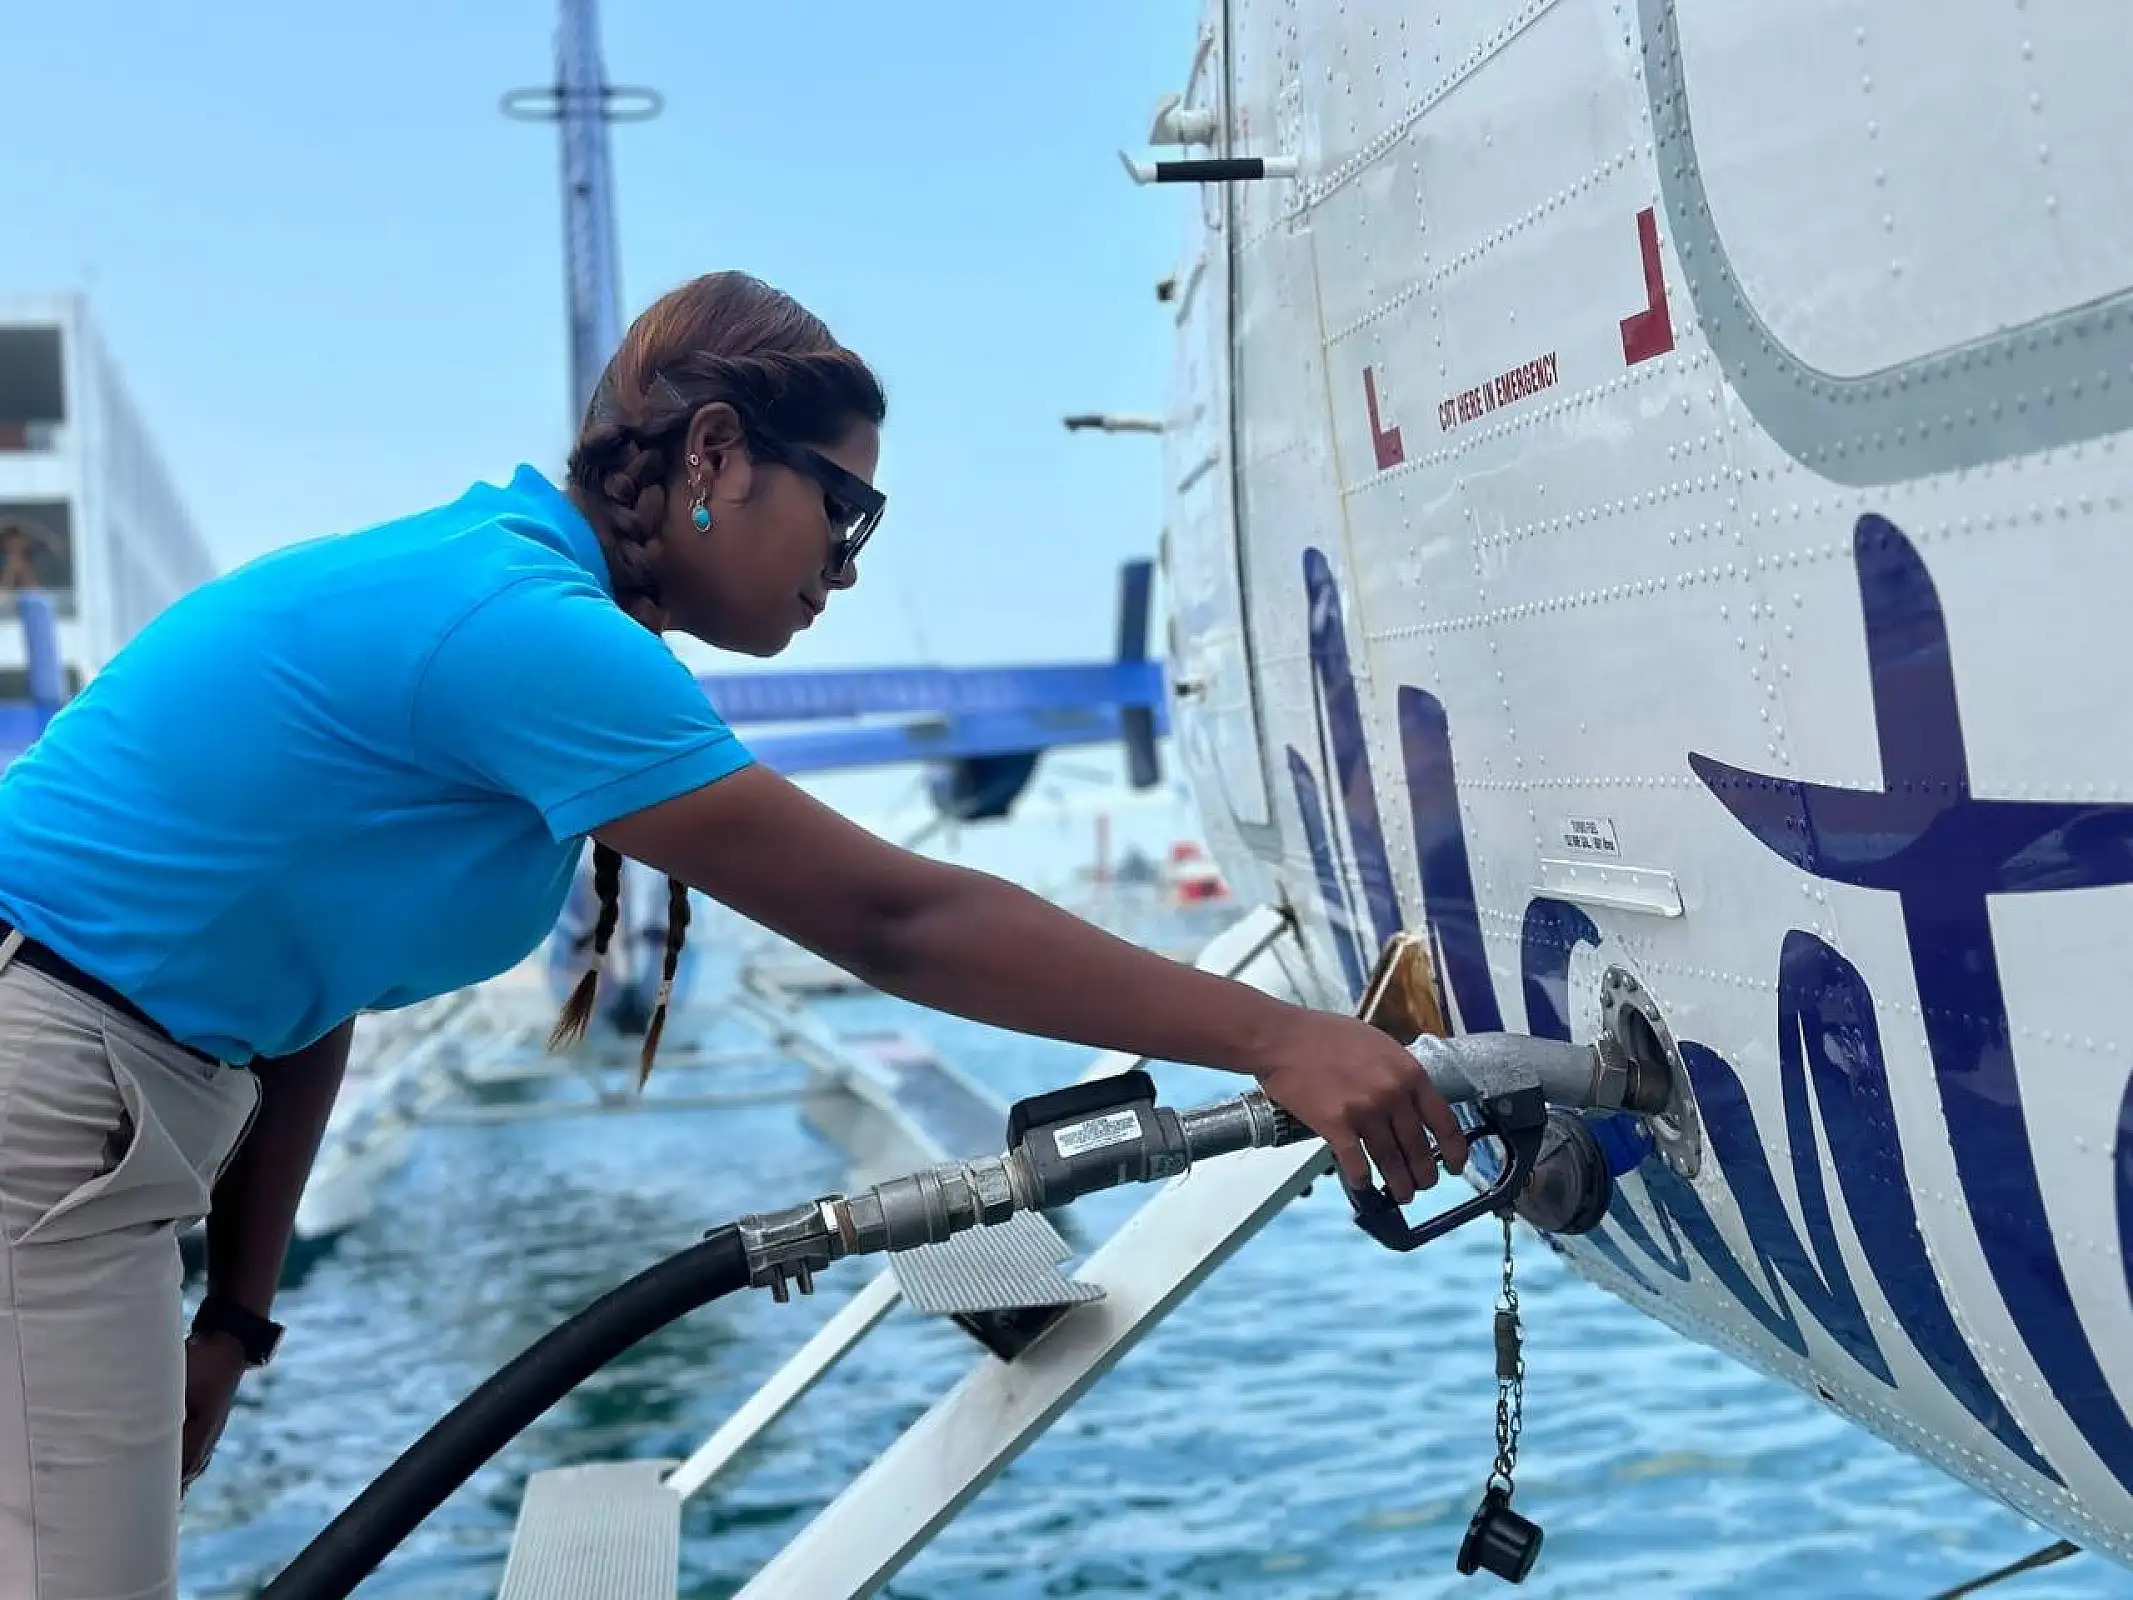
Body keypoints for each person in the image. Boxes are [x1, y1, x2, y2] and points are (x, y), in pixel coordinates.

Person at [0, 270, 1466, 1599]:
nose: (845, 560)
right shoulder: (520, 623)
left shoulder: (502, 597)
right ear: (713, 455)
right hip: (45, 1077)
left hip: (99, 1088)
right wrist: (1281, 1037)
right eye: (845, 506)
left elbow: (313, 991)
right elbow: (897, 918)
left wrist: (235, 1323)